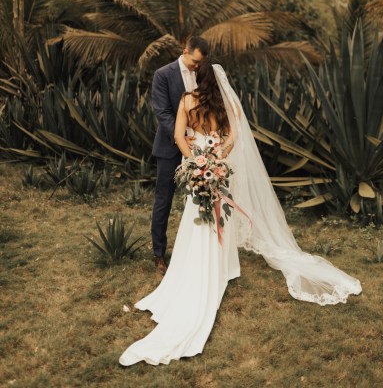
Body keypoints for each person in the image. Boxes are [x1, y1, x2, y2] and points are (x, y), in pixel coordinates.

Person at [119, 60, 362, 367]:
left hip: (200, 168)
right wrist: (217, 156)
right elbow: (233, 137)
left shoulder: (186, 101)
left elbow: (180, 136)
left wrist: (195, 161)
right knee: (219, 213)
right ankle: (223, 267)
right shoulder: (225, 104)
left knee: (197, 217)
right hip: (218, 170)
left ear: (198, 79)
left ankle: (201, 269)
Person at [150, 36, 209, 274]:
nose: (197, 67)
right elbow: (162, 112)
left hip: (200, 147)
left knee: (198, 199)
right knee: (163, 199)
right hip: (169, 147)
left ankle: (195, 252)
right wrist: (183, 135)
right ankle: (159, 254)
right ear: (185, 51)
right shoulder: (163, 74)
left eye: (200, 63)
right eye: (195, 62)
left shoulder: (204, 74)